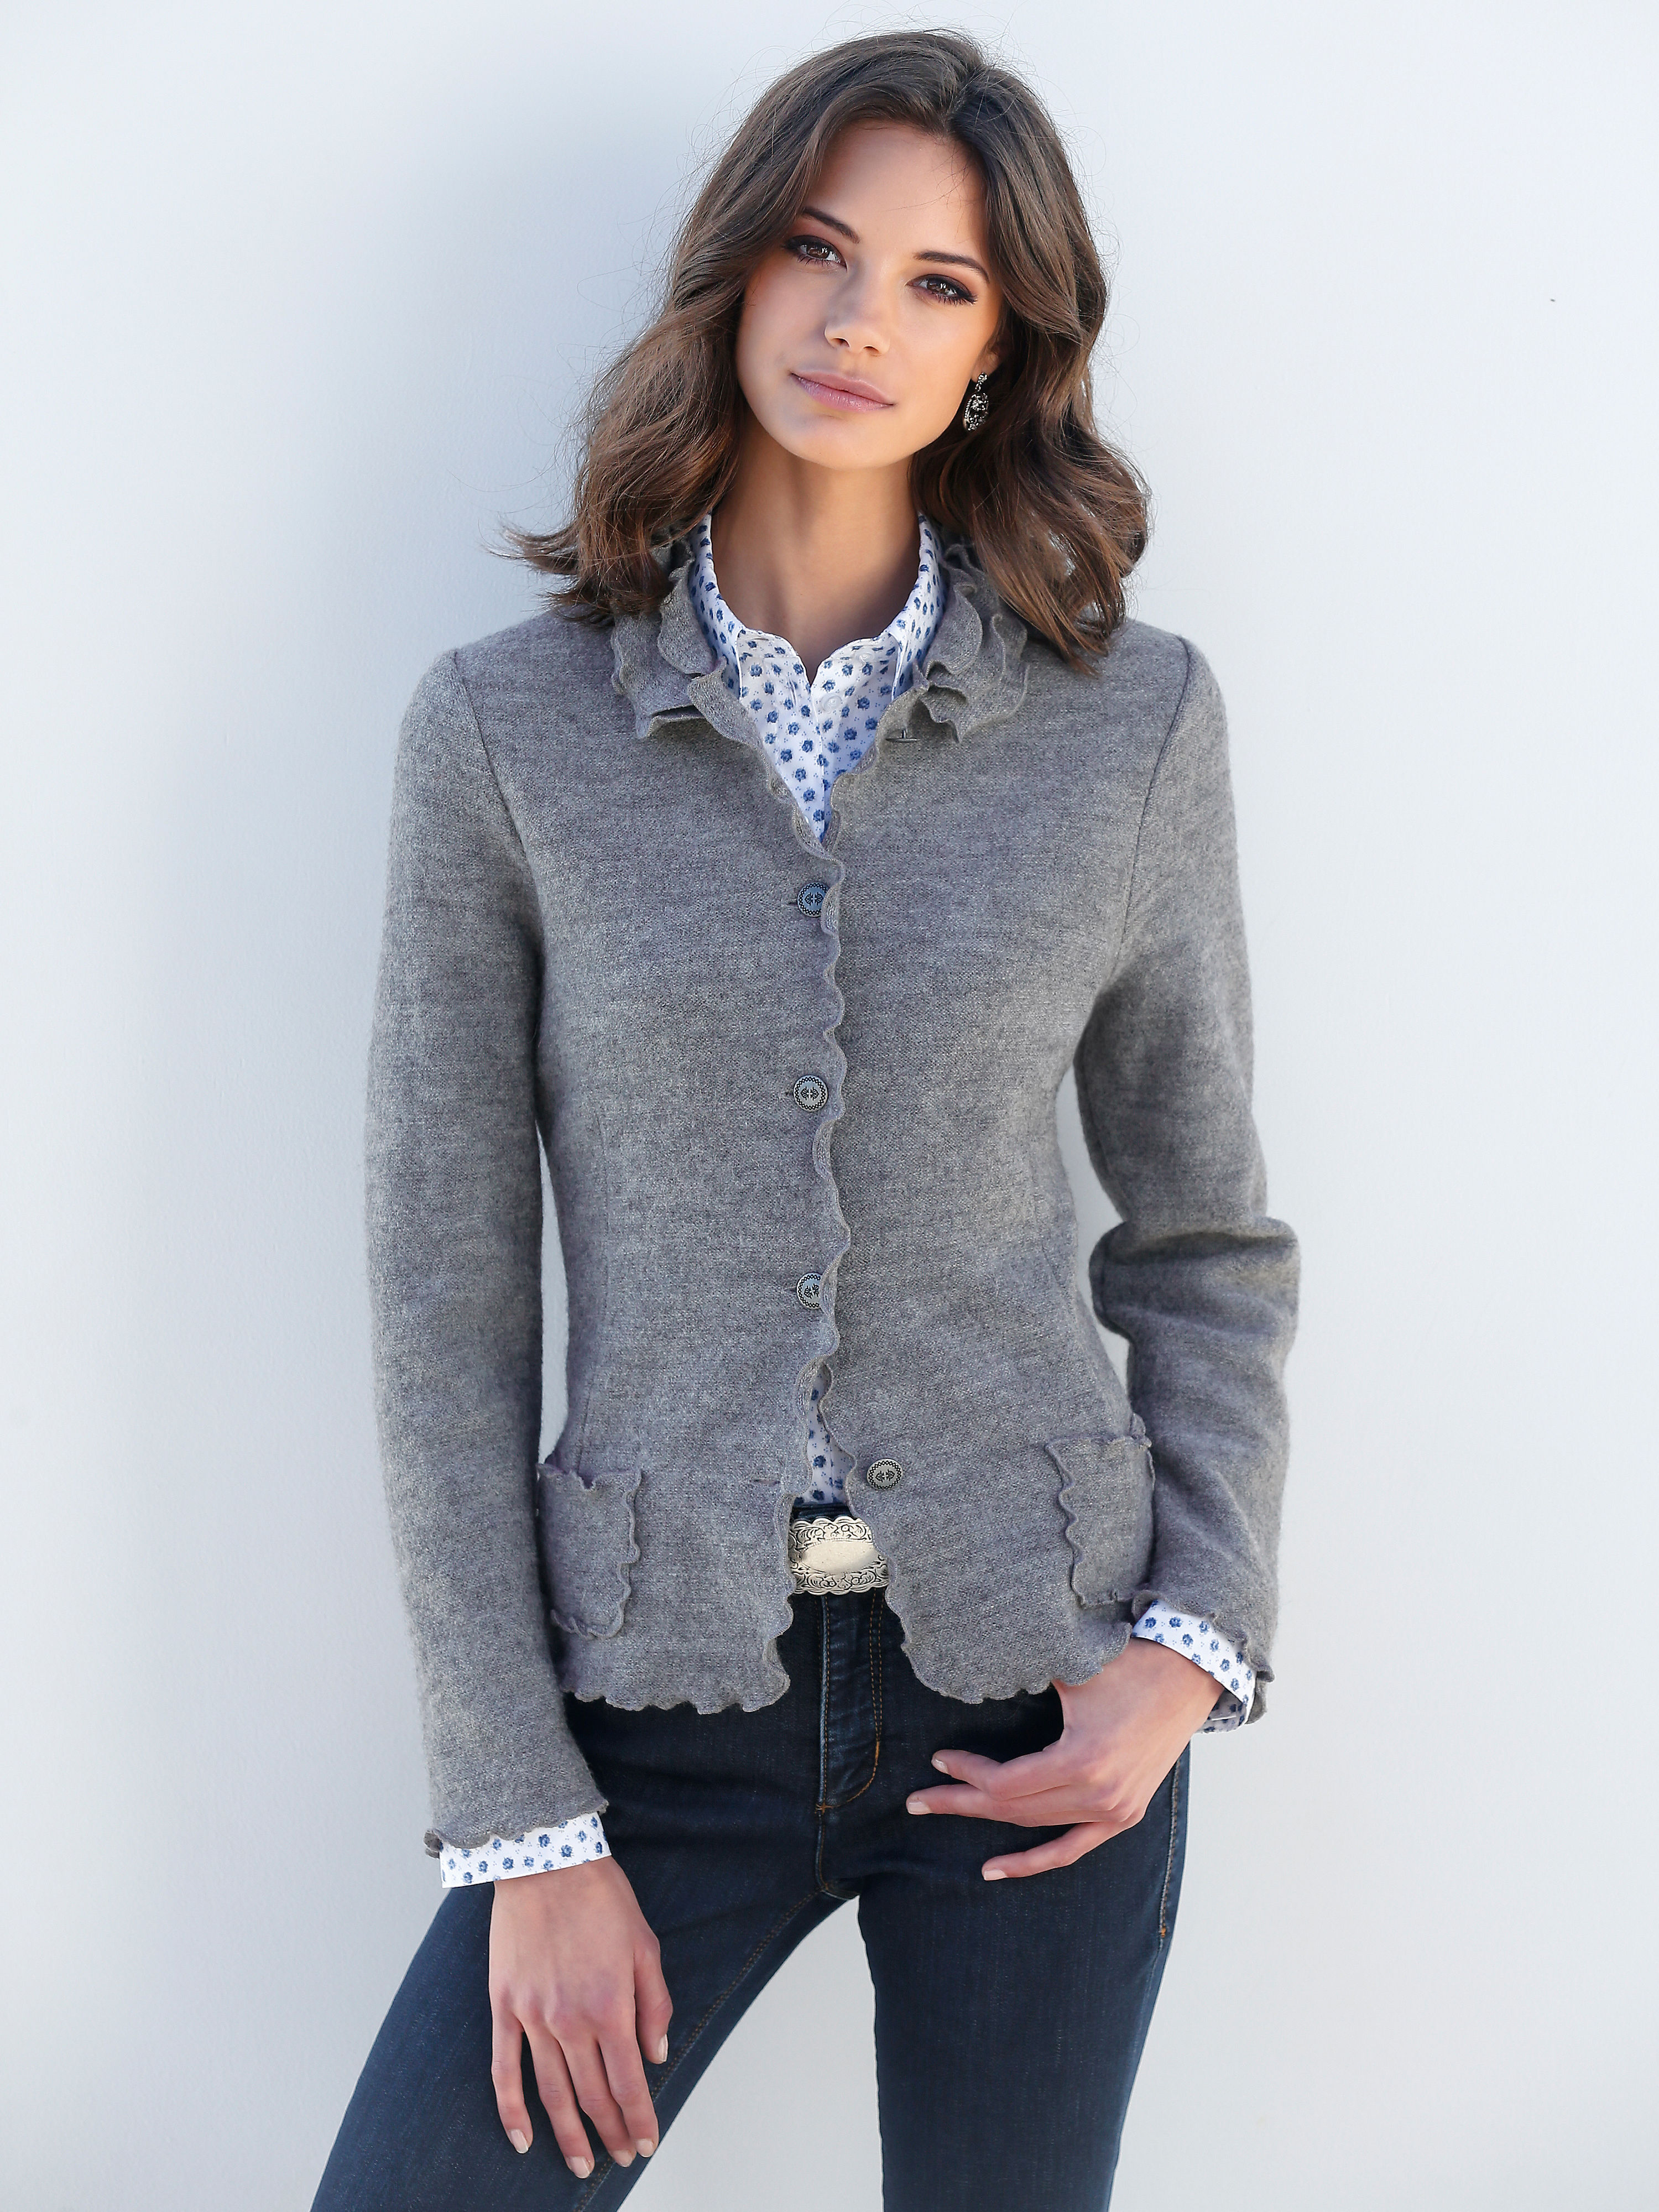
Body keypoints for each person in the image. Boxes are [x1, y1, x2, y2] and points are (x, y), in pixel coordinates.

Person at [311, 28, 1298, 2211]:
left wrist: (1185, 1650)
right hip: (654, 1713)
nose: (863, 321)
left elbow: (1204, 1234)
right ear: (738, 269)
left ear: (1002, 347)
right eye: (821, 251)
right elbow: (445, 1296)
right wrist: (526, 1823)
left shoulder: (1132, 725)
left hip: (1041, 1698)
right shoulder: (508, 733)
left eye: (940, 284)